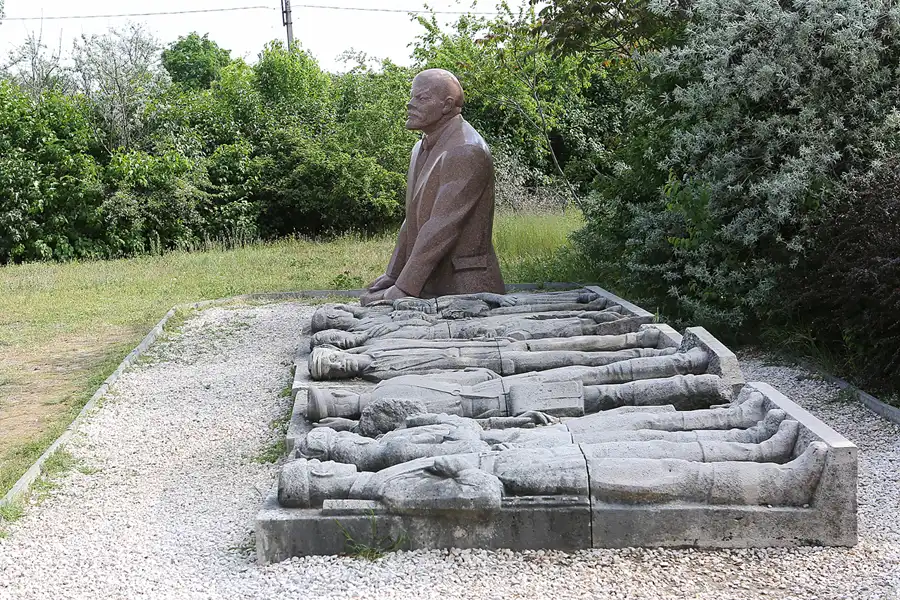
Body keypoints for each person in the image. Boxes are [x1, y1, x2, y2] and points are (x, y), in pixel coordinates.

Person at [361, 69, 504, 305]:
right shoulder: (420, 149)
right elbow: (414, 218)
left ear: (447, 105)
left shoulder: (467, 150)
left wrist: (405, 287)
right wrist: (394, 274)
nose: (410, 104)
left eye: (422, 98)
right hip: (429, 281)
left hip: (463, 287)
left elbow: (441, 226)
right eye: (412, 96)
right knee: (369, 301)